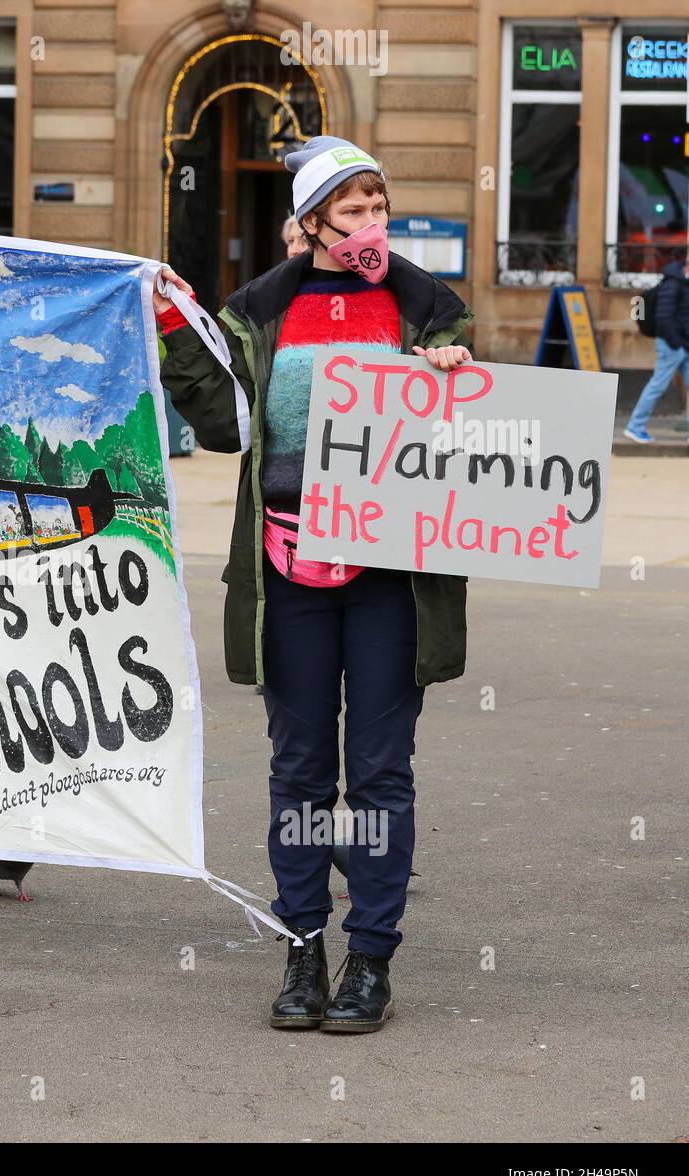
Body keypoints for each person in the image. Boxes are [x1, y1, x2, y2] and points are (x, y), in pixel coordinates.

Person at [155, 136, 474, 1034]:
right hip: (287, 575)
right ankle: (303, 947)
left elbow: (465, 439)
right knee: (299, 772)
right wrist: (179, 331)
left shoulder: (428, 308)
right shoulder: (258, 313)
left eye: (381, 207)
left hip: (390, 581)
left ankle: (371, 957)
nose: (373, 226)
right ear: (312, 224)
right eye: (355, 210)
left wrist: (453, 377)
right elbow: (223, 426)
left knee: (378, 775)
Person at [624, 259, 689, 444]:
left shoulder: (682, 283)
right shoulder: (673, 284)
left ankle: (635, 426)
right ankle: (635, 427)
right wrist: (677, 343)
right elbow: (663, 319)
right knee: (658, 385)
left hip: (682, 345)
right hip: (672, 346)